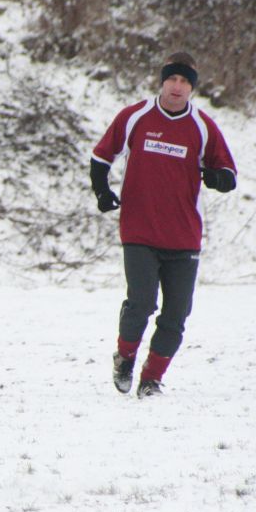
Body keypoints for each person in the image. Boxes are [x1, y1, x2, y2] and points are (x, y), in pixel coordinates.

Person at [91, 51, 237, 398]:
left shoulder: (202, 126)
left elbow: (229, 175)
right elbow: (100, 157)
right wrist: (102, 192)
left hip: (184, 235)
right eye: (172, 79)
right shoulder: (135, 116)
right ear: (162, 82)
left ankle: (151, 380)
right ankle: (125, 359)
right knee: (141, 302)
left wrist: (216, 177)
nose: (177, 86)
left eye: (185, 82)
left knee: (176, 314)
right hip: (139, 229)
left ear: (192, 89)